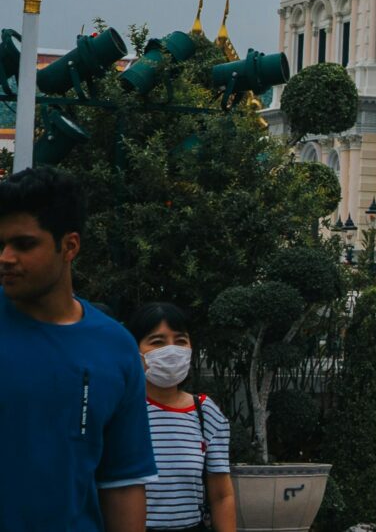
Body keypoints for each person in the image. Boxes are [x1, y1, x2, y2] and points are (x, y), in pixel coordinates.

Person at [0, 165, 155, 532]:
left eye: (24, 244)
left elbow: (122, 483)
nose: (5, 257)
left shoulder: (116, 347)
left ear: (69, 246)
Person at [125, 303, 235, 532]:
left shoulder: (205, 412)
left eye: (181, 340)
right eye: (157, 342)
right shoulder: (121, 410)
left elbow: (221, 496)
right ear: (134, 350)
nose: (172, 350)